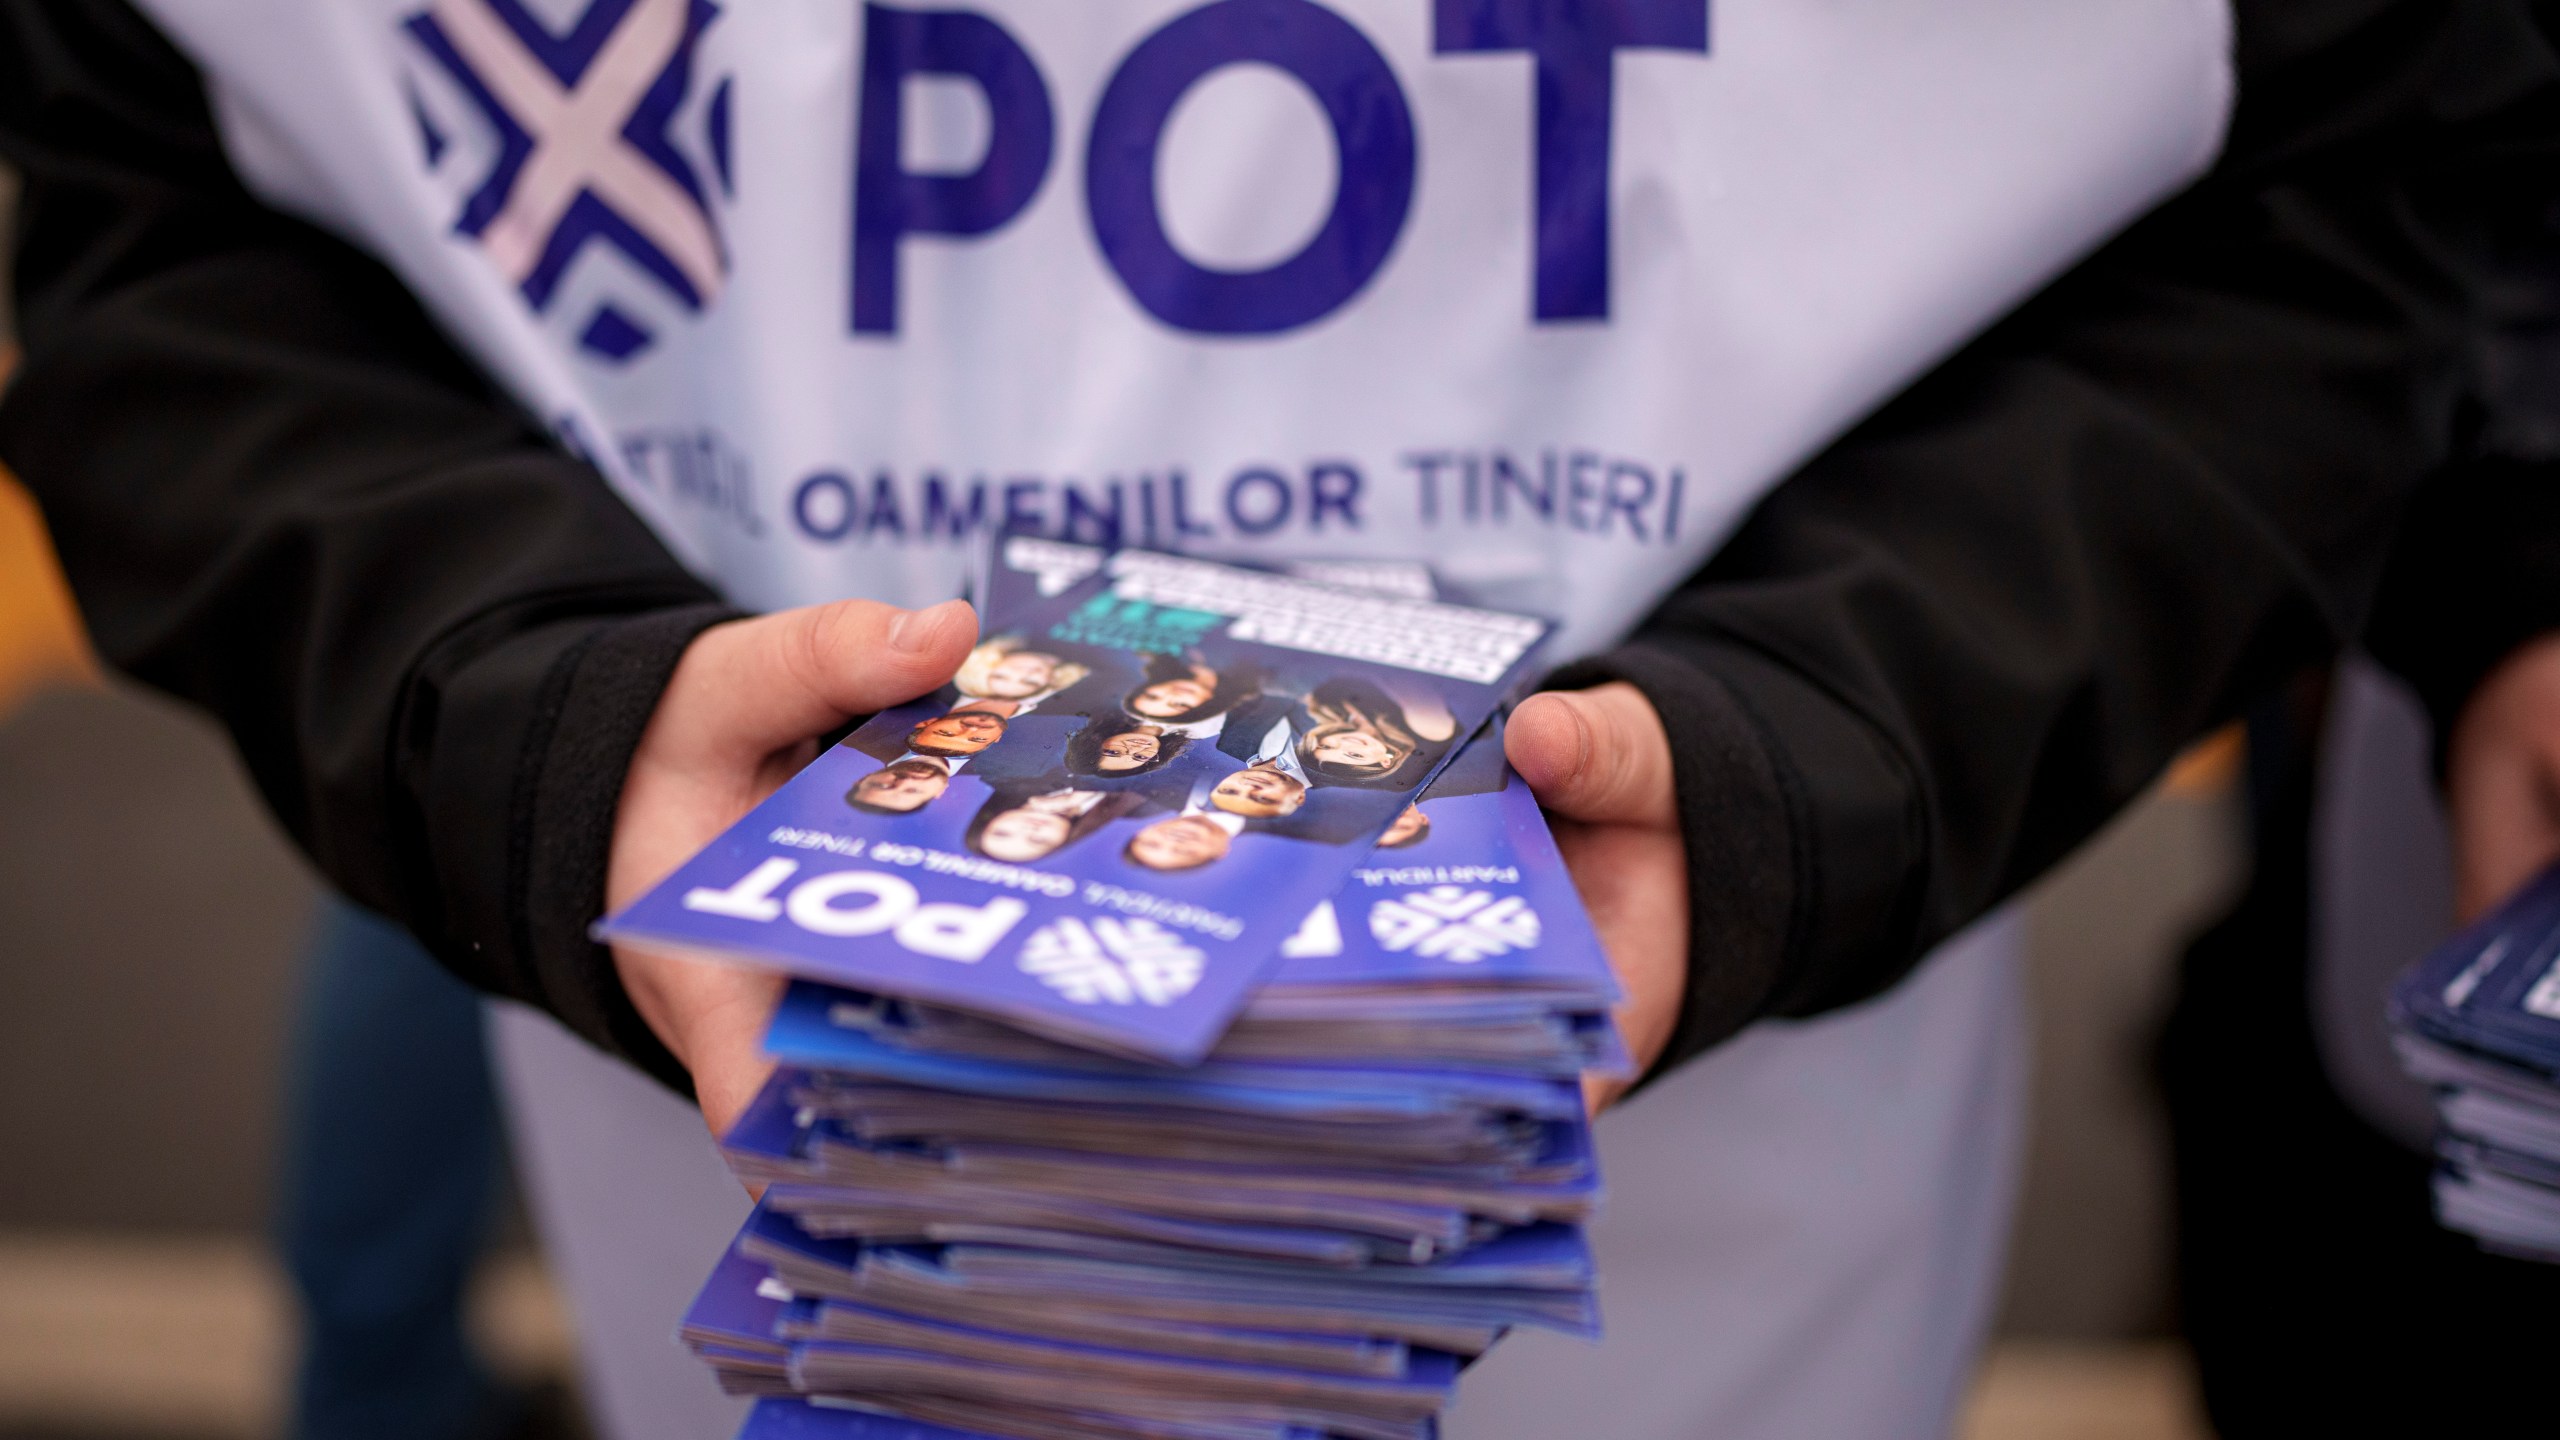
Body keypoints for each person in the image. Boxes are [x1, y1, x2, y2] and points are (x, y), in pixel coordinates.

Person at [5, 3, 2555, 1438]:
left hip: (1727, 1255)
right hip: (767, 1235)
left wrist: (1817, 733)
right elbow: (149, 189)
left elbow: (2342, 178)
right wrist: (528, 707)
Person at [842, 758, 950, 816]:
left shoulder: (870, 732)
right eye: (913, 790)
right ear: (939, 792)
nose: (906, 781)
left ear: (863, 779)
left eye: (883, 785)